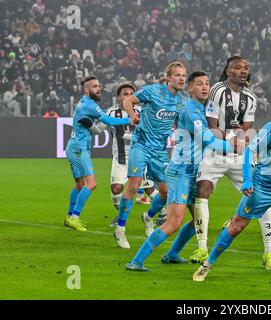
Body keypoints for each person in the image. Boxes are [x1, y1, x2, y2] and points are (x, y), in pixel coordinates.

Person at [193, 87, 271, 282]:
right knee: (236, 227)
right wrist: (248, 179)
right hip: (262, 185)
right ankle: (207, 265)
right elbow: (249, 151)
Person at [126, 71, 244, 271]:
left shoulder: (205, 107)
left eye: (207, 83)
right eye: (199, 84)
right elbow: (207, 139)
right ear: (190, 88)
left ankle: (172, 254)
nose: (205, 87)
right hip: (181, 170)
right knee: (174, 222)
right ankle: (136, 261)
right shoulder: (191, 110)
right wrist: (231, 146)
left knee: (197, 220)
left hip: (195, 171)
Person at [191, 56, 271, 271]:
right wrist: (230, 140)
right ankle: (201, 247)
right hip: (215, 152)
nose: (243, 71)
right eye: (238, 67)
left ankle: (269, 253)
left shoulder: (251, 98)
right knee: (202, 190)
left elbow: (247, 128)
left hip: (240, 155)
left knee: (260, 197)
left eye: (246, 68)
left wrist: (241, 140)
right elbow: (212, 125)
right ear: (228, 71)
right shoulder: (217, 90)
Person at [113, 62, 187, 249]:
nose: (181, 78)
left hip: (160, 150)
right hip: (141, 143)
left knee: (165, 192)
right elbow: (128, 101)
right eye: (177, 75)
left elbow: (179, 126)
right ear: (169, 77)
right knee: (134, 183)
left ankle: (148, 217)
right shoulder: (153, 91)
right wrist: (132, 116)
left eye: (184, 75)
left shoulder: (181, 102)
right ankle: (120, 229)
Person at [86, 83, 164, 227]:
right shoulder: (110, 112)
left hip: (140, 156)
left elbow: (153, 131)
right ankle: (120, 214)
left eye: (131, 94)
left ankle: (164, 213)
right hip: (120, 158)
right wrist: (87, 124)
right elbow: (97, 130)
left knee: (149, 190)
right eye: (125, 94)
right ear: (118, 97)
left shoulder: (143, 110)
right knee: (116, 190)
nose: (128, 96)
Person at [64, 76, 135, 232]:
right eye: (95, 86)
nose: (98, 88)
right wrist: (128, 120)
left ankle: (69, 217)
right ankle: (74, 217)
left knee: (79, 184)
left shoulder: (84, 103)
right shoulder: (89, 105)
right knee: (91, 184)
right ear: (87, 89)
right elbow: (109, 121)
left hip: (74, 147)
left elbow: (97, 126)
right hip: (79, 149)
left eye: (99, 86)